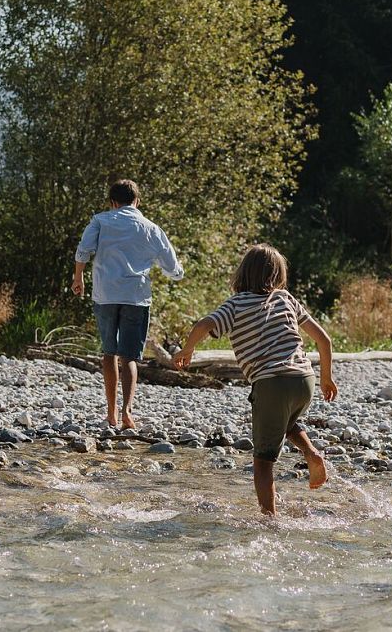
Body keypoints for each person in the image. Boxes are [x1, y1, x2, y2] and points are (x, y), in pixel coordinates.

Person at [172, 243, 337, 516]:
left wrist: (188, 350)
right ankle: (311, 453)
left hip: (271, 382)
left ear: (243, 274)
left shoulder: (236, 304)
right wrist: (326, 379)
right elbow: (324, 340)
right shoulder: (286, 298)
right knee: (285, 421)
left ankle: (269, 520)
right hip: (304, 379)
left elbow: (203, 325)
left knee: (262, 462)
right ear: (278, 274)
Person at [73, 179, 184, 429]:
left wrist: (78, 277)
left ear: (112, 202)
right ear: (138, 201)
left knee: (109, 353)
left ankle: (110, 413)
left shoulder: (100, 221)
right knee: (130, 357)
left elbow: (83, 250)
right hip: (136, 297)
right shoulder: (150, 227)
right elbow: (171, 266)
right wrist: (177, 273)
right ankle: (126, 412)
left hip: (105, 294)